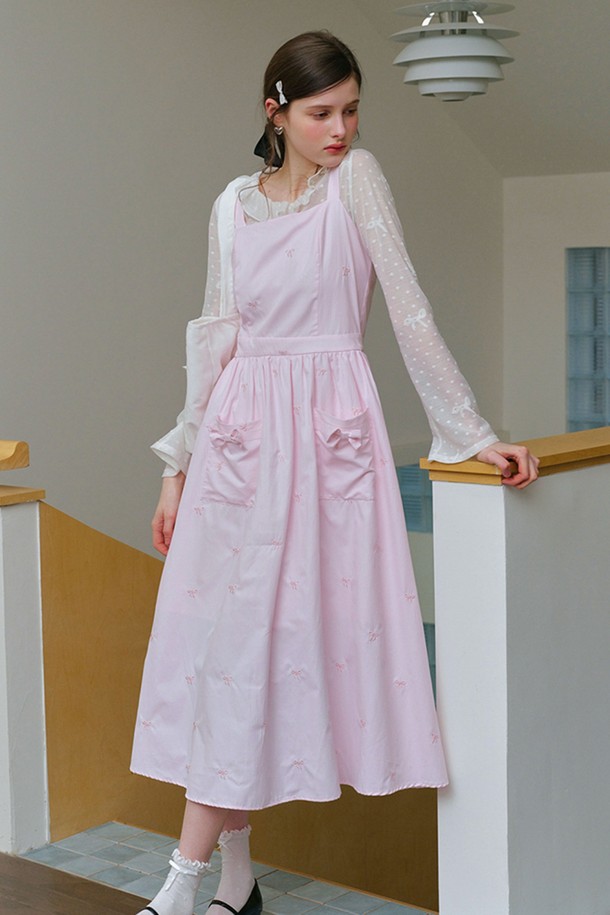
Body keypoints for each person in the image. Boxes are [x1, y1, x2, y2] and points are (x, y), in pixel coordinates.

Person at [131, 30, 538, 915]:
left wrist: (469, 432)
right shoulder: (231, 205)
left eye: (352, 110)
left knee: (253, 659)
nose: (342, 129)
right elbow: (216, 336)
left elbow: (409, 307)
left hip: (323, 451)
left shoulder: (357, 181)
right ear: (275, 112)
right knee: (222, 657)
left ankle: (178, 886)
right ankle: (233, 880)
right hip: (237, 443)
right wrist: (176, 464)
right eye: (322, 113)